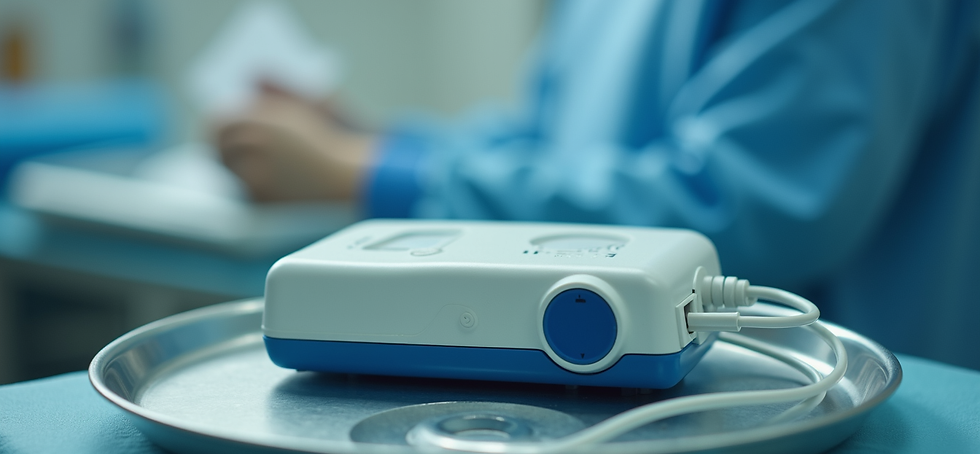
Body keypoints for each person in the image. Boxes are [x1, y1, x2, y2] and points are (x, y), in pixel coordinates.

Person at [214, 0, 980, 370]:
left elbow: (748, 210)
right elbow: (547, 144)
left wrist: (363, 174)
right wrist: (366, 141)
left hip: (822, 405)